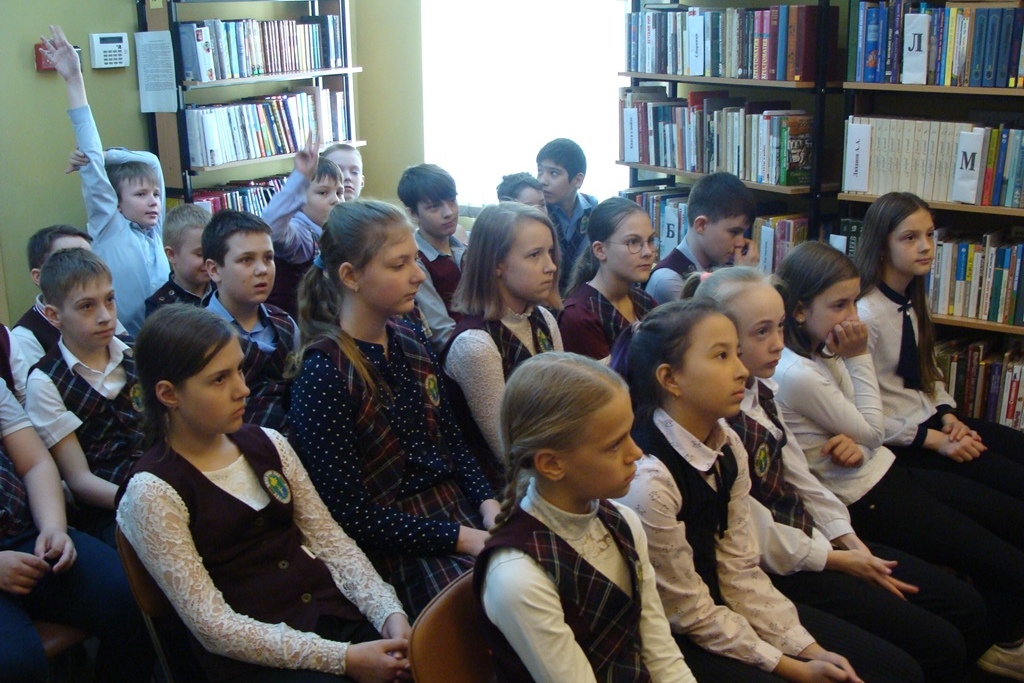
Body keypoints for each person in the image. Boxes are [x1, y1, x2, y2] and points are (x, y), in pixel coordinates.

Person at [694, 263, 991, 682]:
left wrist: (850, 542)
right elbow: (755, 534)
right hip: (784, 564)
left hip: (818, 535)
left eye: (779, 327)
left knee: (961, 606)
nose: (778, 343)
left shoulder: (763, 389)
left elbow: (801, 479)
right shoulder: (723, 422)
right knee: (929, 647)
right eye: (762, 332)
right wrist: (837, 558)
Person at [613, 298, 921, 683]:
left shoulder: (727, 444)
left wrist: (809, 650)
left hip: (720, 603)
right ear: (670, 379)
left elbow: (739, 568)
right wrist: (791, 666)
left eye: (736, 353)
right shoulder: (649, 479)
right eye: (721, 356)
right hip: (673, 635)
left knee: (896, 668)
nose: (742, 370)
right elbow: (687, 612)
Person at [118, 305, 411, 682]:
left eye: (239, 370)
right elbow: (214, 627)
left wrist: (389, 614)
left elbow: (331, 543)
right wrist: (344, 659)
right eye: (219, 379)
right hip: (257, 660)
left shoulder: (268, 443)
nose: (243, 389)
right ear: (168, 394)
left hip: (333, 619)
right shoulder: (152, 490)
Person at [771, 242, 1024, 680]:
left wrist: (861, 438)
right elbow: (871, 425)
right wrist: (859, 360)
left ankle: (999, 639)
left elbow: (869, 427)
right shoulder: (799, 371)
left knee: (1005, 524)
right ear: (798, 310)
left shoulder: (821, 349)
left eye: (854, 301)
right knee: (998, 566)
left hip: (885, 468)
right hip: (867, 496)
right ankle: (999, 649)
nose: (852, 317)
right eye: (839, 305)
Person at [287, 200, 498, 617]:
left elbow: (453, 442)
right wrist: (463, 538)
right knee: (494, 607)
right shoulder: (323, 374)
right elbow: (351, 515)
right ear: (351, 276)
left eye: (415, 260)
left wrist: (489, 505)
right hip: (397, 544)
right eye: (399, 265)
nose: (418, 275)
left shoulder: (410, 337)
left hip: (457, 513)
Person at [475, 352, 695, 682]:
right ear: (552, 464)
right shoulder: (517, 577)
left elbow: (659, 649)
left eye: (630, 433)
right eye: (614, 444)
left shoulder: (622, 520)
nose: (636, 452)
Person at [855, 192, 1024, 503]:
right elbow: (858, 414)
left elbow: (928, 372)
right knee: (1009, 484)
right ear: (880, 247)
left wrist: (949, 417)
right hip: (903, 441)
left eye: (930, 234)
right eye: (910, 238)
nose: (926, 246)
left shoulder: (913, 299)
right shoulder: (866, 314)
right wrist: (934, 439)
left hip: (931, 419)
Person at [0, 374, 152, 683]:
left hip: (23, 533)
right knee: (16, 664)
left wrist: (53, 528)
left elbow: (34, 463)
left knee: (131, 597)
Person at [42, 26, 169, 336]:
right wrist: (75, 80)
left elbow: (152, 162)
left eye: (155, 194)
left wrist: (108, 155)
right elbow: (92, 159)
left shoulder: (156, 230)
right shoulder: (110, 225)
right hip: (123, 340)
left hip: (165, 337)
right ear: (118, 204)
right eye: (140, 194)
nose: (153, 201)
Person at [24, 249, 144, 547]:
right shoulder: (45, 382)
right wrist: (143, 501)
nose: (105, 316)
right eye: (87, 306)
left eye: (110, 300)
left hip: (168, 477)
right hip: (109, 508)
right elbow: (78, 480)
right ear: (54, 315)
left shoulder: (138, 351)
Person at [443, 202, 563, 485]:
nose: (551, 266)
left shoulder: (544, 318)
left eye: (550, 252)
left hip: (553, 464)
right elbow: (508, 454)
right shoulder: (475, 345)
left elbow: (564, 405)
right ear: (497, 263)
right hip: (503, 488)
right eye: (534, 255)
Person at [203, 210, 296, 433]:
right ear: (214, 270)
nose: (262, 270)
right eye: (246, 260)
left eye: (268, 258)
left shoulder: (286, 325)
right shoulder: (198, 335)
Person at [558, 197, 659, 361]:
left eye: (651, 240)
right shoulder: (579, 316)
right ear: (600, 250)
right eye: (633, 242)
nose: (648, 252)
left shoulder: (644, 300)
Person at [645, 172, 759, 304]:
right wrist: (744, 277)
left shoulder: (719, 264)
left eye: (743, 233)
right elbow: (727, 316)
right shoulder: (669, 280)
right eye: (734, 232)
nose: (740, 243)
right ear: (701, 225)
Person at [262, 137, 345, 317]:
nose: (335, 200)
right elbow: (270, 229)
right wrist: (300, 178)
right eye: (323, 192)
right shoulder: (302, 233)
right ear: (300, 199)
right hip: (293, 324)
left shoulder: (335, 232)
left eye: (340, 192)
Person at [397, 163, 465, 349]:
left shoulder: (464, 250)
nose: (449, 212)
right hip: (459, 351)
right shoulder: (416, 262)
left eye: (452, 201)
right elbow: (441, 331)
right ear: (412, 213)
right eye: (434, 207)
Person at [12, 225, 96, 368]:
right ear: (38, 276)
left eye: (90, 261)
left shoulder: (102, 308)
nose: (86, 271)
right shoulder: (26, 336)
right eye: (67, 261)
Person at [536, 138, 598, 292]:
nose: (542, 181)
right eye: (540, 171)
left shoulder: (593, 209)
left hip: (583, 295)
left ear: (577, 180)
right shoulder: (538, 211)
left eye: (553, 173)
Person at [145, 203, 213, 316]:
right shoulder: (159, 307)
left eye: (213, 251)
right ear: (171, 255)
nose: (210, 260)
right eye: (200, 254)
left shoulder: (224, 289)